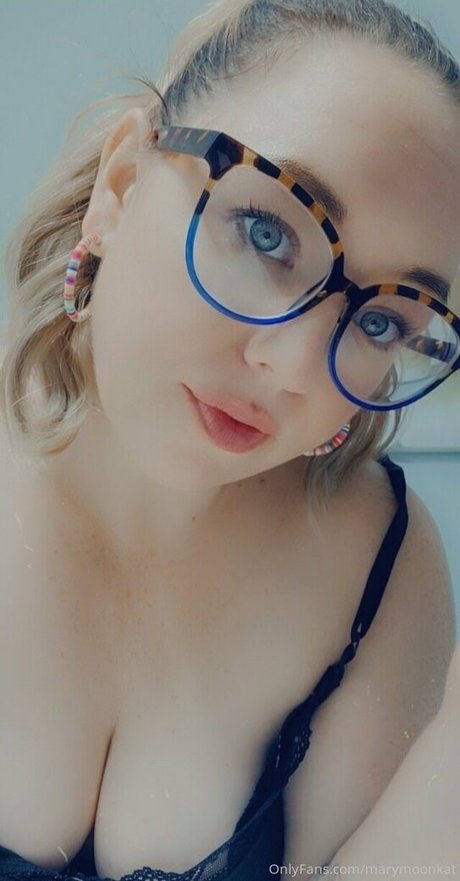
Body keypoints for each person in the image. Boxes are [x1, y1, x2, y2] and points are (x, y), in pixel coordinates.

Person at [0, 0, 459, 879]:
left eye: (381, 322)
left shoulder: (381, 567)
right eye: (267, 232)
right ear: (121, 185)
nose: (293, 368)